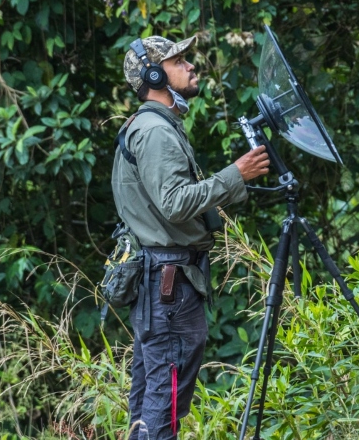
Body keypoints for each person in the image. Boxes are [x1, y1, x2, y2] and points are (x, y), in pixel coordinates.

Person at [114, 35, 270, 440]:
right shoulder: (154, 131)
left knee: (148, 407)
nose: (190, 66)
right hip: (169, 289)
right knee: (163, 409)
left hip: (160, 283)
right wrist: (236, 175)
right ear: (153, 74)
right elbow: (175, 204)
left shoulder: (151, 125)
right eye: (177, 60)